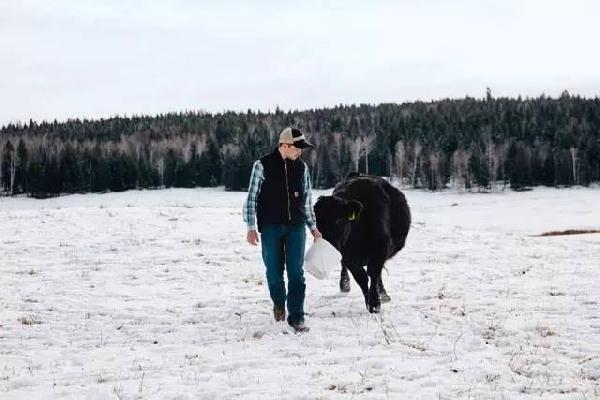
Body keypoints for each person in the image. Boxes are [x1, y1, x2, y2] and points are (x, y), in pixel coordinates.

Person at [243, 127, 321, 333]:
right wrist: (251, 227)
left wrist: (313, 228)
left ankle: (297, 317)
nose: (300, 152)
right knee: (274, 273)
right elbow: (251, 198)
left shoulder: (302, 168)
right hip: (270, 227)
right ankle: (279, 303)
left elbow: (306, 200)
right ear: (285, 146)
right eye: (298, 148)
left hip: (296, 227)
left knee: (296, 273)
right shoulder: (262, 166)